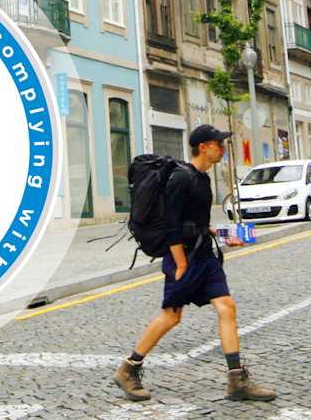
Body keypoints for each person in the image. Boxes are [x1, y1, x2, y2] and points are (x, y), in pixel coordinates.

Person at [113, 125, 277, 403]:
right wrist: (179, 263)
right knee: (172, 316)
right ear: (203, 147)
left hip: (204, 255)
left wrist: (223, 235)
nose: (222, 149)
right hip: (184, 257)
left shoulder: (202, 179)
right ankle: (128, 368)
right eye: (218, 144)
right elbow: (172, 224)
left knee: (226, 306)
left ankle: (237, 380)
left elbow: (198, 222)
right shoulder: (181, 178)